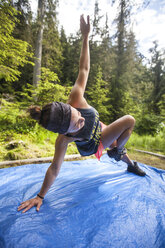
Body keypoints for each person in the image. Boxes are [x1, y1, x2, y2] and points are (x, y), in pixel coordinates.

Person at [18, 15, 146, 214]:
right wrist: (40, 196)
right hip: (92, 144)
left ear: (71, 105)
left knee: (119, 141)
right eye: (76, 124)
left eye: (77, 114)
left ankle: (125, 160)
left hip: (99, 128)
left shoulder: (76, 97)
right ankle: (116, 151)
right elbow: (54, 168)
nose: (82, 119)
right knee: (126, 124)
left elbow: (84, 69)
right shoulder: (62, 141)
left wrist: (85, 37)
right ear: (66, 133)